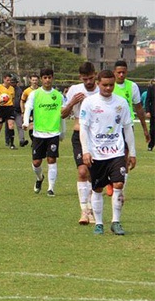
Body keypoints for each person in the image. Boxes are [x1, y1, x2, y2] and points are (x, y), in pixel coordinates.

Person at [79, 70, 136, 235]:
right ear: (98, 84)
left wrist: (132, 152)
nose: (108, 88)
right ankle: (98, 223)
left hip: (116, 152)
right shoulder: (89, 103)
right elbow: (83, 127)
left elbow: (127, 128)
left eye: (111, 85)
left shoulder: (121, 103)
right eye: (105, 85)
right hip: (96, 153)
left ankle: (116, 221)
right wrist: (86, 151)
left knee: (119, 184)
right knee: (97, 189)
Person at [61, 61, 99, 224]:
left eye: (90, 78)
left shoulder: (102, 90)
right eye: (85, 79)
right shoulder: (74, 91)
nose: (88, 82)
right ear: (80, 78)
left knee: (95, 175)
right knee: (83, 171)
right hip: (79, 135)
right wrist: (71, 103)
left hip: (98, 136)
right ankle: (85, 211)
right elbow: (62, 115)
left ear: (95, 75)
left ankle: (93, 209)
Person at [111, 60, 150, 195]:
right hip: (110, 127)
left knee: (125, 158)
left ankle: (121, 190)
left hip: (127, 126)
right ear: (114, 73)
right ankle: (110, 181)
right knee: (110, 156)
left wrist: (145, 129)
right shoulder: (108, 85)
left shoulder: (132, 86)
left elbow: (138, 108)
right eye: (119, 72)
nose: (121, 75)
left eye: (124, 72)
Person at [22, 67, 62, 196]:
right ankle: (39, 178)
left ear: (52, 78)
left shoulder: (58, 95)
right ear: (41, 79)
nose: (47, 80)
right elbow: (28, 108)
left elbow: (63, 113)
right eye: (45, 78)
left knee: (51, 159)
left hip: (53, 133)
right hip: (39, 133)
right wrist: (26, 122)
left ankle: (51, 188)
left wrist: (63, 132)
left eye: (49, 77)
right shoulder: (35, 94)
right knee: (36, 162)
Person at [0, 74, 17, 149]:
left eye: (10, 80)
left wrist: (13, 105)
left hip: (10, 108)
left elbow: (13, 98)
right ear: (4, 79)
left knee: (11, 125)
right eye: (7, 80)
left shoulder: (12, 88)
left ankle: (12, 144)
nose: (9, 82)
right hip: (1, 109)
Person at [7, 76, 28, 147]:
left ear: (16, 83)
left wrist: (23, 111)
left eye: (14, 82)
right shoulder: (7, 89)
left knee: (20, 125)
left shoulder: (20, 90)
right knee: (9, 127)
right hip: (9, 110)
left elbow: (22, 100)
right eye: (11, 82)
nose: (13, 84)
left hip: (18, 110)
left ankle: (22, 140)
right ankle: (8, 141)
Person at [20, 74, 40, 143]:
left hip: (39, 111)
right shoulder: (26, 91)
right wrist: (23, 111)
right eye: (33, 80)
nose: (34, 82)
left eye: (36, 80)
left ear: (38, 81)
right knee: (31, 127)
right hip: (31, 111)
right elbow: (22, 101)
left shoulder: (41, 90)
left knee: (38, 127)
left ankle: (37, 140)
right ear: (30, 81)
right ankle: (34, 142)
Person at [145, 79, 155, 151]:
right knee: (152, 130)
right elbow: (148, 100)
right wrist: (148, 111)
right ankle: (151, 145)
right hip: (153, 113)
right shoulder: (151, 88)